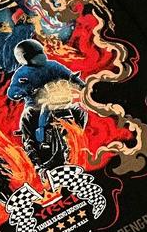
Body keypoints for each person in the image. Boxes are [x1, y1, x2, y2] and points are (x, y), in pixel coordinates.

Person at [7, 38, 87, 172]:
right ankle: (32, 152)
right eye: (35, 54)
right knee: (27, 117)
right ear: (25, 57)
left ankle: (77, 136)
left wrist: (82, 86)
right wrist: (23, 91)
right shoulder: (21, 73)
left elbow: (69, 76)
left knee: (80, 111)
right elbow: (12, 91)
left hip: (60, 102)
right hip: (36, 106)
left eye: (40, 52)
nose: (40, 55)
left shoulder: (53, 65)